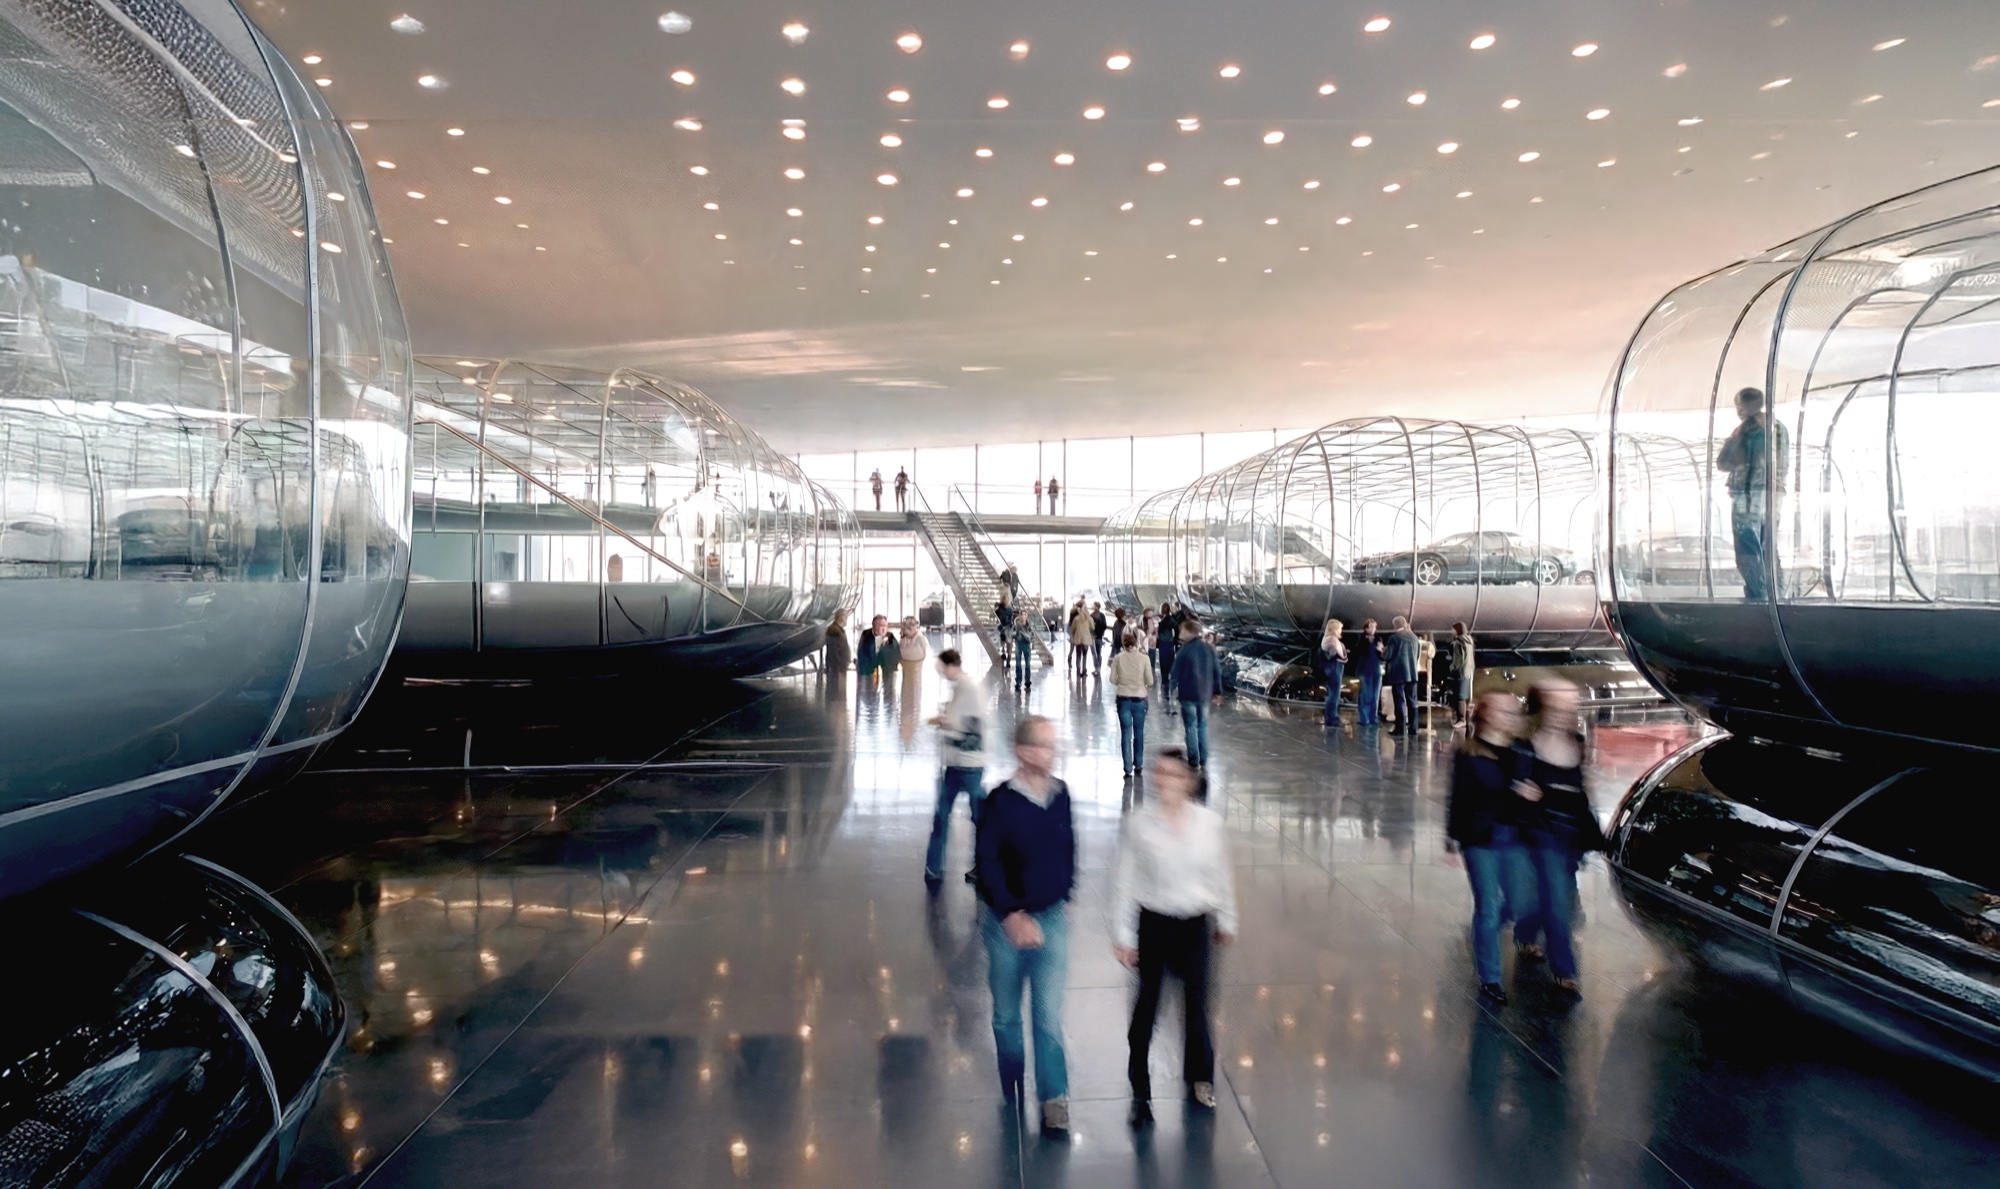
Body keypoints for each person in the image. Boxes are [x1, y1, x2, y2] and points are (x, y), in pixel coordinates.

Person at [1111, 746, 1237, 1126]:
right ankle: (1139, 1088)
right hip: (1154, 924)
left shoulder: (1208, 824)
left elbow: (1220, 872)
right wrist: (1123, 934)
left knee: (1197, 1008)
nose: (1163, 780)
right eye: (1158, 772)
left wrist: (1227, 919)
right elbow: (1124, 880)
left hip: (1196, 925)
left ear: (1188, 782)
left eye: (1172, 774)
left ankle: (1200, 1079)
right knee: (1147, 1007)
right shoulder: (1139, 823)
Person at [975, 716, 1075, 1133]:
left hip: (1052, 917)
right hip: (1004, 923)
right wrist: (1012, 916)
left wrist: (1066, 895)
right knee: (1005, 1016)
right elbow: (987, 865)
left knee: (1048, 1017)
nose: (1050, 755)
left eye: (1053, 748)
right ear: (1022, 750)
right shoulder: (999, 802)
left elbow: (1069, 846)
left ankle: (1053, 1096)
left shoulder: (1060, 794)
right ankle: (1011, 1074)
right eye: (1043, 747)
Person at [1510, 680, 1605, 996]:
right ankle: (1565, 970)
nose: (1568, 711)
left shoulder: (1577, 742)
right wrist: (1521, 789)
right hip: (1542, 831)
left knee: (1548, 896)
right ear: (1546, 708)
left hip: (1571, 832)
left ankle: (1524, 933)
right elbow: (1508, 783)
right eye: (1561, 705)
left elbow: (1582, 785)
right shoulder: (1527, 745)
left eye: (1571, 705)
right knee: (1557, 898)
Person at [1446, 692, 1531, 1004]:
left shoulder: (1519, 751)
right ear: (1486, 716)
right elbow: (1459, 798)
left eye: (1512, 711)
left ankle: (1486, 931)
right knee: (1488, 907)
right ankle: (1490, 978)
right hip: (1479, 839)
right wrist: (1452, 836)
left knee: (1519, 900)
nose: (1510, 716)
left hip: (1513, 836)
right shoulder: (1468, 753)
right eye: (1503, 711)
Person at [1715, 386, 1789, 601]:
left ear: (1746, 406)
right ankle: (1777, 594)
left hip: (1747, 496)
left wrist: (1734, 439)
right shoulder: (1778, 428)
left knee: (1747, 547)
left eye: (1739, 405)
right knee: (1769, 547)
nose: (1738, 410)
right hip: (1774, 494)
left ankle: (1757, 596)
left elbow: (1724, 461)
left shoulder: (1746, 431)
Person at [924, 649, 988, 887]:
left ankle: (937, 868)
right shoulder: (962, 688)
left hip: (969, 765)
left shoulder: (969, 689)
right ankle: (934, 867)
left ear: (951, 665)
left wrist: (950, 723)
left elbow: (975, 726)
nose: (941, 674)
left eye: (942, 669)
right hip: (958, 764)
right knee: (965, 817)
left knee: (971, 818)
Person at [1170, 620, 1224, 770]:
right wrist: (1217, 691)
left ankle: (1193, 759)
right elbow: (1216, 671)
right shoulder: (1209, 649)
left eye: (1181, 631)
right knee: (1203, 725)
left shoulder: (1184, 651)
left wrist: (1171, 689)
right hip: (1205, 694)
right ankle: (1204, 758)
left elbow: (1174, 673)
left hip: (1188, 694)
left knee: (1191, 726)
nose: (1180, 634)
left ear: (1189, 632)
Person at [1109, 630, 1155, 777]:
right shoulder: (1144, 659)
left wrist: (1122, 682)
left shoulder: (1118, 658)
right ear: (1136, 643)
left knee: (1125, 734)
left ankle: (1127, 767)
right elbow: (1150, 681)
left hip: (1123, 699)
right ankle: (1139, 763)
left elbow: (1112, 680)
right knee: (1139, 733)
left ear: (1123, 644)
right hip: (1140, 699)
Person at [1383, 615, 1421, 735]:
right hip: (1413, 673)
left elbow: (1388, 656)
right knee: (1412, 701)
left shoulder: (1394, 638)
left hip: (1398, 673)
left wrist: (1382, 650)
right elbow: (1417, 655)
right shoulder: (1414, 638)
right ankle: (1413, 728)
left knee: (1399, 701)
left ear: (1395, 626)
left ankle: (1400, 728)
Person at [1353, 619, 1385, 726]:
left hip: (1376, 669)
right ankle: (1364, 718)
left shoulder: (1379, 638)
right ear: (1366, 628)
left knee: (1375, 695)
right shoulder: (1361, 638)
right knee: (1366, 694)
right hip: (1365, 670)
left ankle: (1373, 717)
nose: (1373, 629)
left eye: (1374, 627)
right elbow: (1358, 651)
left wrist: (1381, 650)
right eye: (1371, 627)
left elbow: (1382, 655)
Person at [1445, 623, 1476, 730]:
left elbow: (1457, 659)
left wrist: (1452, 668)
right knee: (1462, 696)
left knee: (1460, 696)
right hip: (1468, 671)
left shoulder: (1458, 643)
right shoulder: (1469, 641)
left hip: (1460, 672)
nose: (1451, 631)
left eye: (1453, 629)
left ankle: (1461, 720)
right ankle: (1462, 719)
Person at [1317, 618, 1348, 728]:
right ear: (1334, 629)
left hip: (1333, 668)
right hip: (1335, 668)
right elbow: (1340, 655)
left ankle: (1330, 716)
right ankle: (1332, 718)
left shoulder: (1327, 639)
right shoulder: (1332, 640)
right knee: (1334, 695)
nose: (1340, 631)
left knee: (1332, 693)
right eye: (1339, 629)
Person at [856, 613, 896, 686]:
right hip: (869, 670)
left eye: (885, 626)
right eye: (880, 625)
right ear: (874, 626)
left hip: (886, 670)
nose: (883, 628)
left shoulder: (890, 636)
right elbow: (862, 652)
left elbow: (895, 653)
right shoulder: (866, 635)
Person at [1156, 602, 1180, 698]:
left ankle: (1164, 681)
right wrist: (1175, 640)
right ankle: (1172, 681)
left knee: (1163, 662)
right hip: (1170, 642)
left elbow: (1159, 630)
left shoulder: (1161, 621)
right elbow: (1177, 630)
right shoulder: (1172, 620)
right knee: (1171, 661)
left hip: (1163, 643)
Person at [1011, 608, 1036, 694]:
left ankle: (1027, 681)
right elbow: (1012, 635)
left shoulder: (1030, 625)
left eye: (1025, 614)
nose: (1023, 616)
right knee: (1018, 664)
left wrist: (1033, 644)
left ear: (1027, 616)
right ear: (1019, 616)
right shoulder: (1016, 626)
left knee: (1028, 665)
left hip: (1027, 646)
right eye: (1022, 614)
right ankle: (1018, 682)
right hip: (1019, 645)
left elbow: (1033, 636)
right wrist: (1015, 634)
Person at [898, 616, 928, 686]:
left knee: (914, 685)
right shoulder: (904, 639)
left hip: (915, 670)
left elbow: (923, 652)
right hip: (907, 669)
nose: (905, 632)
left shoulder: (920, 639)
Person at [823, 607, 852, 676]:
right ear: (842, 617)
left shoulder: (837, 630)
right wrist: (840, 666)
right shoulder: (834, 631)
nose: (846, 620)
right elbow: (834, 651)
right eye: (846, 618)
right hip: (836, 669)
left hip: (838, 668)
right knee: (836, 686)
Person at [1068, 600, 1093, 679]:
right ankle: (1084, 671)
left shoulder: (1076, 618)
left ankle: (1078, 672)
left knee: (1078, 656)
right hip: (1086, 639)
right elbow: (1092, 627)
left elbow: (1072, 629)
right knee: (1084, 656)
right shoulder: (1088, 619)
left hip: (1078, 639)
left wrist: (1076, 633)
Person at [1090, 602, 1109, 673]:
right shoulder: (1101, 615)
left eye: (1094, 606)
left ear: (1097, 607)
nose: (1092, 607)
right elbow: (1104, 626)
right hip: (1098, 637)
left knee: (1095, 653)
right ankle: (1098, 668)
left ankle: (1097, 668)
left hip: (1094, 637)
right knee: (1098, 653)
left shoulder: (1092, 615)